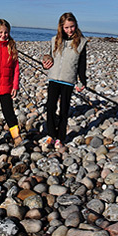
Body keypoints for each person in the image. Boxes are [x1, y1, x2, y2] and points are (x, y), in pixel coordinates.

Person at [40, 12, 88, 150]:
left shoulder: (81, 42)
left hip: (68, 80)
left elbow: (82, 64)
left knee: (64, 110)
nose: (69, 30)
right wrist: (45, 62)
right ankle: (50, 134)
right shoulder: (55, 39)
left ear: (76, 26)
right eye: (66, 27)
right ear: (61, 27)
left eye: (72, 27)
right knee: (50, 107)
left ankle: (60, 138)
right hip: (53, 79)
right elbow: (49, 58)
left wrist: (82, 81)